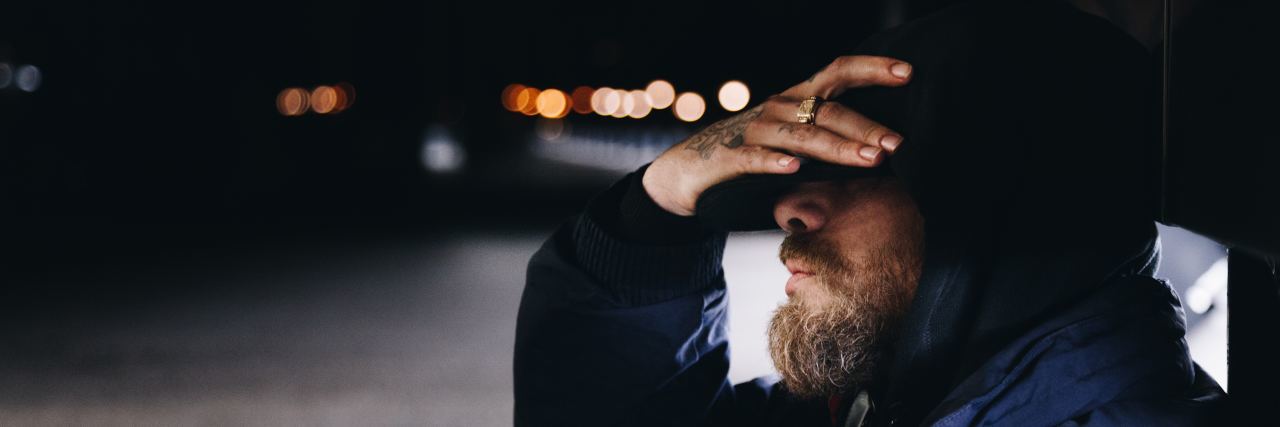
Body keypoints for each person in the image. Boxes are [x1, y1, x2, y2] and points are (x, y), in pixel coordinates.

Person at [515, 1, 1224, 425]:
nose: (787, 208)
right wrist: (659, 200)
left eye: (864, 167)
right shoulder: (894, 402)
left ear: (1000, 201)